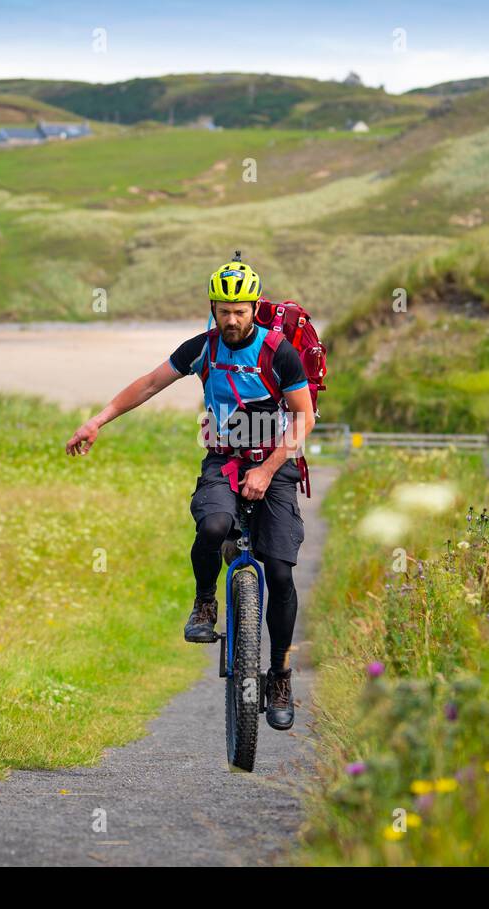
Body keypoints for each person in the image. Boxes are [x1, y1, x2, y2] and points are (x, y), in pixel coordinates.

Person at [65, 256, 315, 731]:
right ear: (214, 309)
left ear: (254, 308)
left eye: (240, 310)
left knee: (280, 572)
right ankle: (205, 600)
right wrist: (97, 420)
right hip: (222, 461)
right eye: (224, 310)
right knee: (215, 525)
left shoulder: (278, 351)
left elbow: (304, 417)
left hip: (274, 464)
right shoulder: (203, 348)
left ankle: (280, 675)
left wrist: (268, 468)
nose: (232, 318)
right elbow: (149, 384)